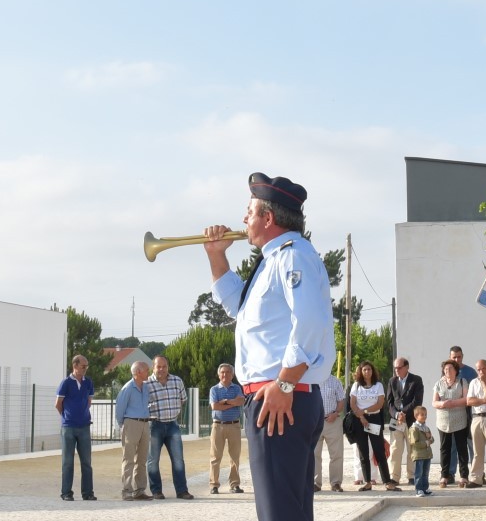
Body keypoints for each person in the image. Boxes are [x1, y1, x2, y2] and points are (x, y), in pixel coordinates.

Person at [201, 172, 336, 521]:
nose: (244, 219)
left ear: (268, 217)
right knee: (287, 510)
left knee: (279, 513)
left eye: (249, 211)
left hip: (279, 396)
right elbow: (240, 307)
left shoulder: (292, 256)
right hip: (278, 395)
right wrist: (216, 256)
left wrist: (285, 383)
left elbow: (311, 322)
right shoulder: (272, 260)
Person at [145, 355, 192, 499]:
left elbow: (183, 400)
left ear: (168, 367)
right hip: (154, 426)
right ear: (153, 367)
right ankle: (156, 491)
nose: (161, 369)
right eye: (158, 366)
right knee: (153, 461)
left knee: (178, 460)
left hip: (173, 425)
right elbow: (142, 405)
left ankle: (182, 491)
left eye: (164, 366)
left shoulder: (177, 381)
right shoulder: (146, 384)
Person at [348, 360, 399, 491]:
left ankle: (387, 481)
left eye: (369, 369)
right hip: (359, 420)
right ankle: (367, 482)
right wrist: (361, 417)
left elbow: (379, 403)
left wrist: (365, 412)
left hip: (374, 419)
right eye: (364, 369)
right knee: (363, 452)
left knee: (379, 450)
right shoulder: (356, 386)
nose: (367, 372)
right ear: (360, 371)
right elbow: (353, 403)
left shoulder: (378, 385)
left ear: (372, 371)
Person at [53, 354, 96, 501]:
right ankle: (66, 493)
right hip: (69, 428)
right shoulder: (65, 383)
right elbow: (58, 404)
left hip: (84, 426)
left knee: (86, 462)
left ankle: (88, 493)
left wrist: (82, 414)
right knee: (67, 462)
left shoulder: (88, 382)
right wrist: (67, 417)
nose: (85, 369)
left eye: (86, 366)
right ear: (75, 365)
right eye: (83, 366)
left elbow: (89, 401)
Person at [432, 359, 474, 488]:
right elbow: (434, 402)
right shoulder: (438, 384)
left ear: (455, 370)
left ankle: (463, 476)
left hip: (459, 420)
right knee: (445, 449)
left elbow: (466, 399)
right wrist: (443, 404)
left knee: (462, 448)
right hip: (443, 421)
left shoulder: (462, 382)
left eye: (450, 369)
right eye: (445, 369)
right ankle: (444, 475)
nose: (447, 371)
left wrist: (453, 403)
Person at [116, 361, 153, 501]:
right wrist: (124, 426)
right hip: (131, 423)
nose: (148, 373)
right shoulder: (127, 388)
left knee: (142, 459)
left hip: (144, 424)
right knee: (129, 459)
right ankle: (127, 491)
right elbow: (119, 409)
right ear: (138, 372)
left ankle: (139, 490)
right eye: (146, 370)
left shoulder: (145, 387)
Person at [208, 363, 247, 494]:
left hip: (234, 425)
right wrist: (232, 402)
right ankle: (214, 485)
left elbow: (241, 401)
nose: (225, 374)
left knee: (235, 457)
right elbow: (215, 406)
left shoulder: (237, 388)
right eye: (222, 372)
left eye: (228, 372)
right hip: (218, 425)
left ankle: (234, 484)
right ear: (219, 374)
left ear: (232, 374)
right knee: (215, 457)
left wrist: (225, 401)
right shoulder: (214, 389)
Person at [386, 357, 424, 485]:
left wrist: (404, 413)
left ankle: (412, 476)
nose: (397, 370)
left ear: (407, 367)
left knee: (412, 448)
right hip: (396, 421)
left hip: (411, 420)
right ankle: (394, 477)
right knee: (395, 449)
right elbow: (389, 402)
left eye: (399, 367)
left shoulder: (416, 380)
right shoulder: (392, 381)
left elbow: (417, 401)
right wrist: (397, 414)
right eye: (395, 368)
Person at [314, 370, 348, 492]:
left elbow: (341, 402)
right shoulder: (311, 379)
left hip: (333, 421)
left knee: (336, 454)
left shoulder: (335, 381)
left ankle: (336, 483)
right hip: (314, 422)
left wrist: (335, 413)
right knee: (314, 454)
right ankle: (315, 483)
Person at [465, 359, 486, 488]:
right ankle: (476, 478)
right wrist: (484, 400)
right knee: (477, 451)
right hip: (476, 418)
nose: (480, 372)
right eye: (478, 369)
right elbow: (469, 401)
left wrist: (484, 382)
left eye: (483, 369)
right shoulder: (473, 382)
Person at [406, 405, 435, 497]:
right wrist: (427, 442)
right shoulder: (414, 428)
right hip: (418, 455)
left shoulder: (426, 428)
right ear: (416, 416)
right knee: (419, 473)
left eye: (425, 414)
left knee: (425, 473)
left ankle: (425, 488)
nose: (425, 416)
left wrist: (429, 438)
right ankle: (419, 489)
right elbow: (415, 443)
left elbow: (432, 439)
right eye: (422, 415)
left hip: (427, 454)